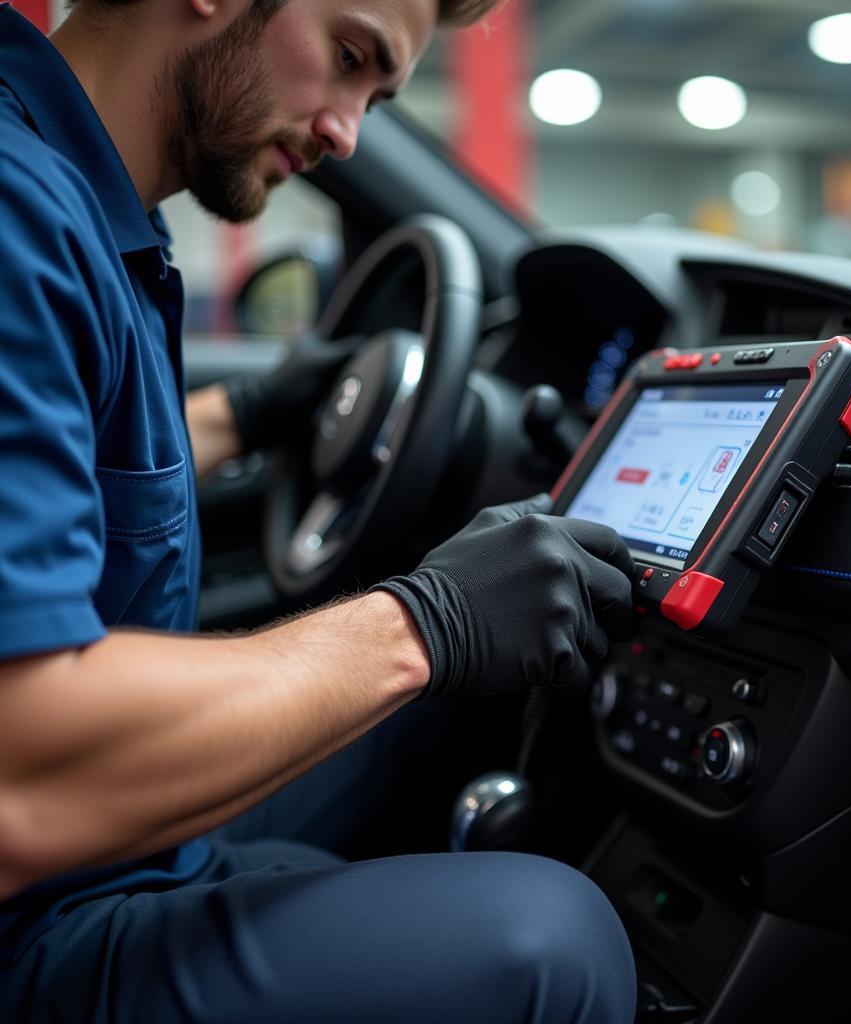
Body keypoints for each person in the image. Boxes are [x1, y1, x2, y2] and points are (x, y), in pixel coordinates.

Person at [0, 0, 639, 1020]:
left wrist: (250, 414)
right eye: (345, 58)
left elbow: (76, 453)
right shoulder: (17, 216)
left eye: (375, 95)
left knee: (408, 738)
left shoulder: (99, 214)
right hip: (30, 917)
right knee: (551, 939)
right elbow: (18, 776)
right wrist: (425, 623)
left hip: (99, 857)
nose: (346, 130)